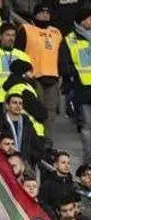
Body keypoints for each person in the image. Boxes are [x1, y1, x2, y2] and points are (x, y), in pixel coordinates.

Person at [14, 4, 62, 147]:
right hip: (34, 78)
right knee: (35, 111)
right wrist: (24, 72)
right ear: (35, 15)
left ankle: (47, 143)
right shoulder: (26, 30)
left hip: (52, 78)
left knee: (50, 113)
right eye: (41, 13)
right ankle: (35, 140)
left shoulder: (56, 32)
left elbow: (60, 55)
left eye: (47, 13)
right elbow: (18, 54)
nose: (45, 15)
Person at [0, 22, 32, 124]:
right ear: (0, 36)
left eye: (13, 35)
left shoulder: (22, 55)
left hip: (17, 99)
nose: (11, 38)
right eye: (7, 35)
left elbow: (29, 78)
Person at [59, 7, 92, 163]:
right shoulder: (69, 39)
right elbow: (63, 66)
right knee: (87, 126)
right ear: (81, 20)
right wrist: (79, 73)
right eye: (89, 18)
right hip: (83, 88)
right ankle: (88, 160)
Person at [0, 93, 43, 168]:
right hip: (6, 165)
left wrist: (30, 159)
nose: (18, 106)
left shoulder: (27, 123)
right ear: (7, 106)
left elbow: (36, 146)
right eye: (14, 103)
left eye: (20, 103)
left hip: (25, 165)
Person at [3, 59, 48, 143]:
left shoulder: (15, 86)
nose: (32, 74)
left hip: (23, 131)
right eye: (30, 71)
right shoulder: (22, 88)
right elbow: (42, 113)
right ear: (23, 73)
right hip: (32, 132)